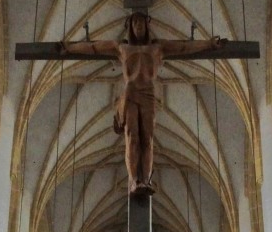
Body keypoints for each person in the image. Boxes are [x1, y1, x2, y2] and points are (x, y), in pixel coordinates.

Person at [59, 13, 223, 196]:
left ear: (147, 24)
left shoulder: (158, 47)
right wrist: (70, 47)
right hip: (130, 93)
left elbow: (184, 47)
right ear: (129, 26)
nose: (138, 26)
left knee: (148, 139)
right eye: (134, 22)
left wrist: (208, 44)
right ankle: (133, 181)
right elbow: (94, 48)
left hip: (148, 94)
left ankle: (145, 180)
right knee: (132, 136)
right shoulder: (122, 48)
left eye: (141, 22)